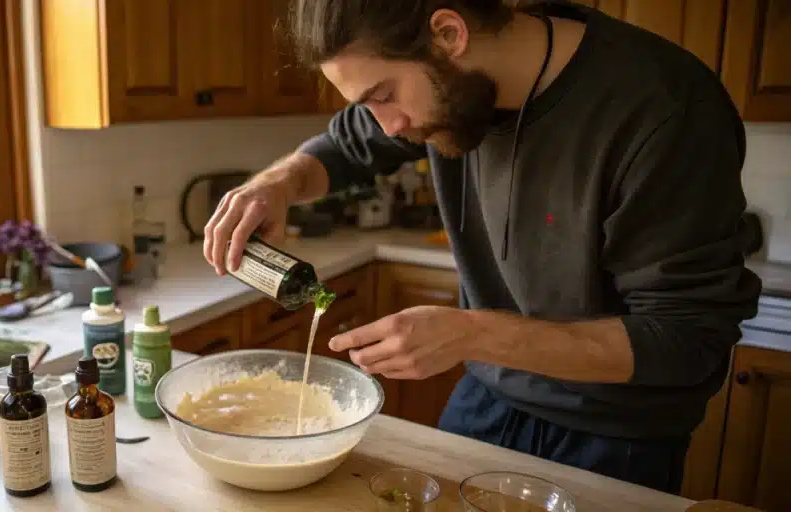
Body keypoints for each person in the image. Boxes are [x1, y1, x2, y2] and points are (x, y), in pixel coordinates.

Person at [201, 0, 761, 494]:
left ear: (448, 33)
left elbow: (685, 339)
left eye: (384, 96)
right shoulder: (449, 84)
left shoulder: (662, 109)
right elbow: (344, 146)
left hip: (615, 435)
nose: (389, 128)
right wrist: (276, 183)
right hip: (487, 399)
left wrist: (470, 332)